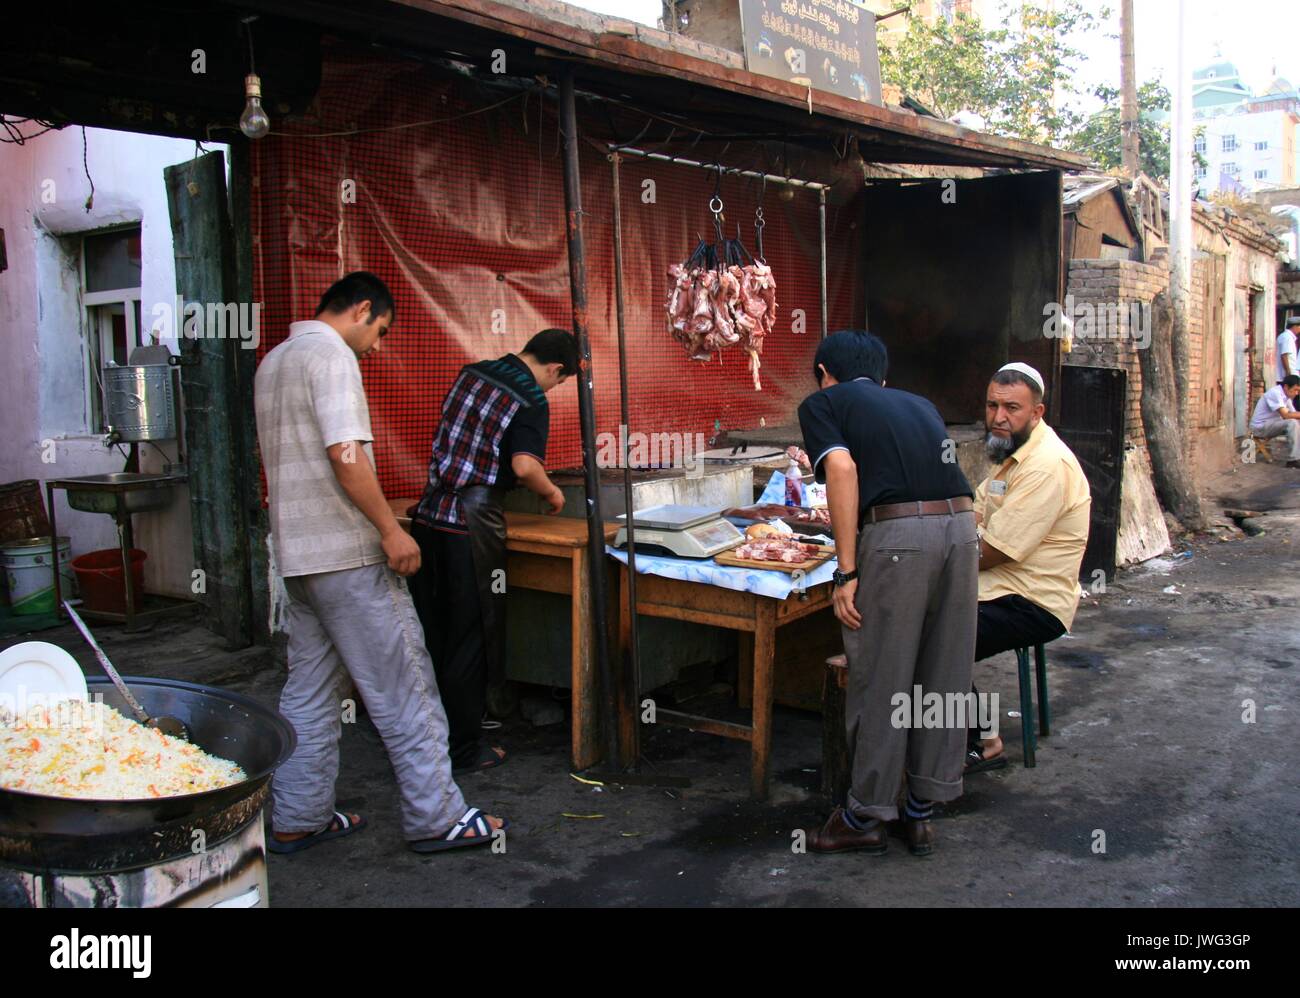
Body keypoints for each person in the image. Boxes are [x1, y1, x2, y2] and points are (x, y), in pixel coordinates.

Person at [254, 271, 506, 855]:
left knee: (309, 691)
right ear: (361, 309)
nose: (377, 344)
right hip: (347, 555)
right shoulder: (333, 357)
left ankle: (297, 815)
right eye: (381, 330)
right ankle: (437, 817)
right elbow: (346, 455)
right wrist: (391, 530)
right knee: (405, 686)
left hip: (298, 557)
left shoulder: (273, 362)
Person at [796, 330, 978, 857]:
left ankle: (864, 815)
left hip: (899, 540)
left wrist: (845, 572)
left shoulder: (824, 402)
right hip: (961, 530)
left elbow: (844, 470)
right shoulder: (918, 403)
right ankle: (921, 809)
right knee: (942, 670)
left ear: (825, 373)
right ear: (882, 377)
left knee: (881, 673)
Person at [408, 329, 578, 775]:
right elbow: (524, 466)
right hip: (469, 523)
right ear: (555, 369)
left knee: (433, 633)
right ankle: (463, 749)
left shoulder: (472, 373)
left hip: (428, 516)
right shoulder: (531, 399)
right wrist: (552, 494)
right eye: (559, 382)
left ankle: (425, 736)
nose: (554, 389)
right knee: (471, 637)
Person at [964, 363, 1091, 773]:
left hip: (1034, 603)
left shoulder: (1046, 465)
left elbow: (992, 550)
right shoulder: (1010, 451)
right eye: (992, 405)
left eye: (1012, 408)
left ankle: (983, 741)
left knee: (930, 632)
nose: (999, 417)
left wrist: (931, 559)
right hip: (1001, 586)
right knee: (916, 616)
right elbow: (973, 514)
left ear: (1037, 413)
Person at [1249, 374, 1300, 469]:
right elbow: (1286, 415)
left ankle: (1297, 456)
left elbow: (1294, 414)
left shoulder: (1286, 397)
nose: (1297, 393)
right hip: (1259, 428)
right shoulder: (1275, 393)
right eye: (1295, 390)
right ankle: (1293, 460)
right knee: (1292, 423)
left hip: (1271, 425)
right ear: (1286, 387)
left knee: (1296, 422)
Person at [1276, 316, 1300, 382]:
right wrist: (1288, 372)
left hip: (1290, 375)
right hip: (1288, 376)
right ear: (1295, 326)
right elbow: (1284, 355)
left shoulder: (1287, 336)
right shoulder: (1287, 337)